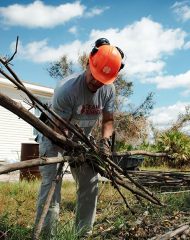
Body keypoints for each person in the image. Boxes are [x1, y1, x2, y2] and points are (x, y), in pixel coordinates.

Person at [34, 38, 124, 236]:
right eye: (94, 75)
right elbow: (60, 129)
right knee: (52, 187)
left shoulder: (109, 89)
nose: (96, 82)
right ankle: (46, 235)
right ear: (87, 64)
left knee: (91, 184)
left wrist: (105, 142)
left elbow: (108, 121)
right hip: (55, 136)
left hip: (82, 139)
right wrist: (73, 150)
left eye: (103, 79)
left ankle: (82, 234)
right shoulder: (67, 89)